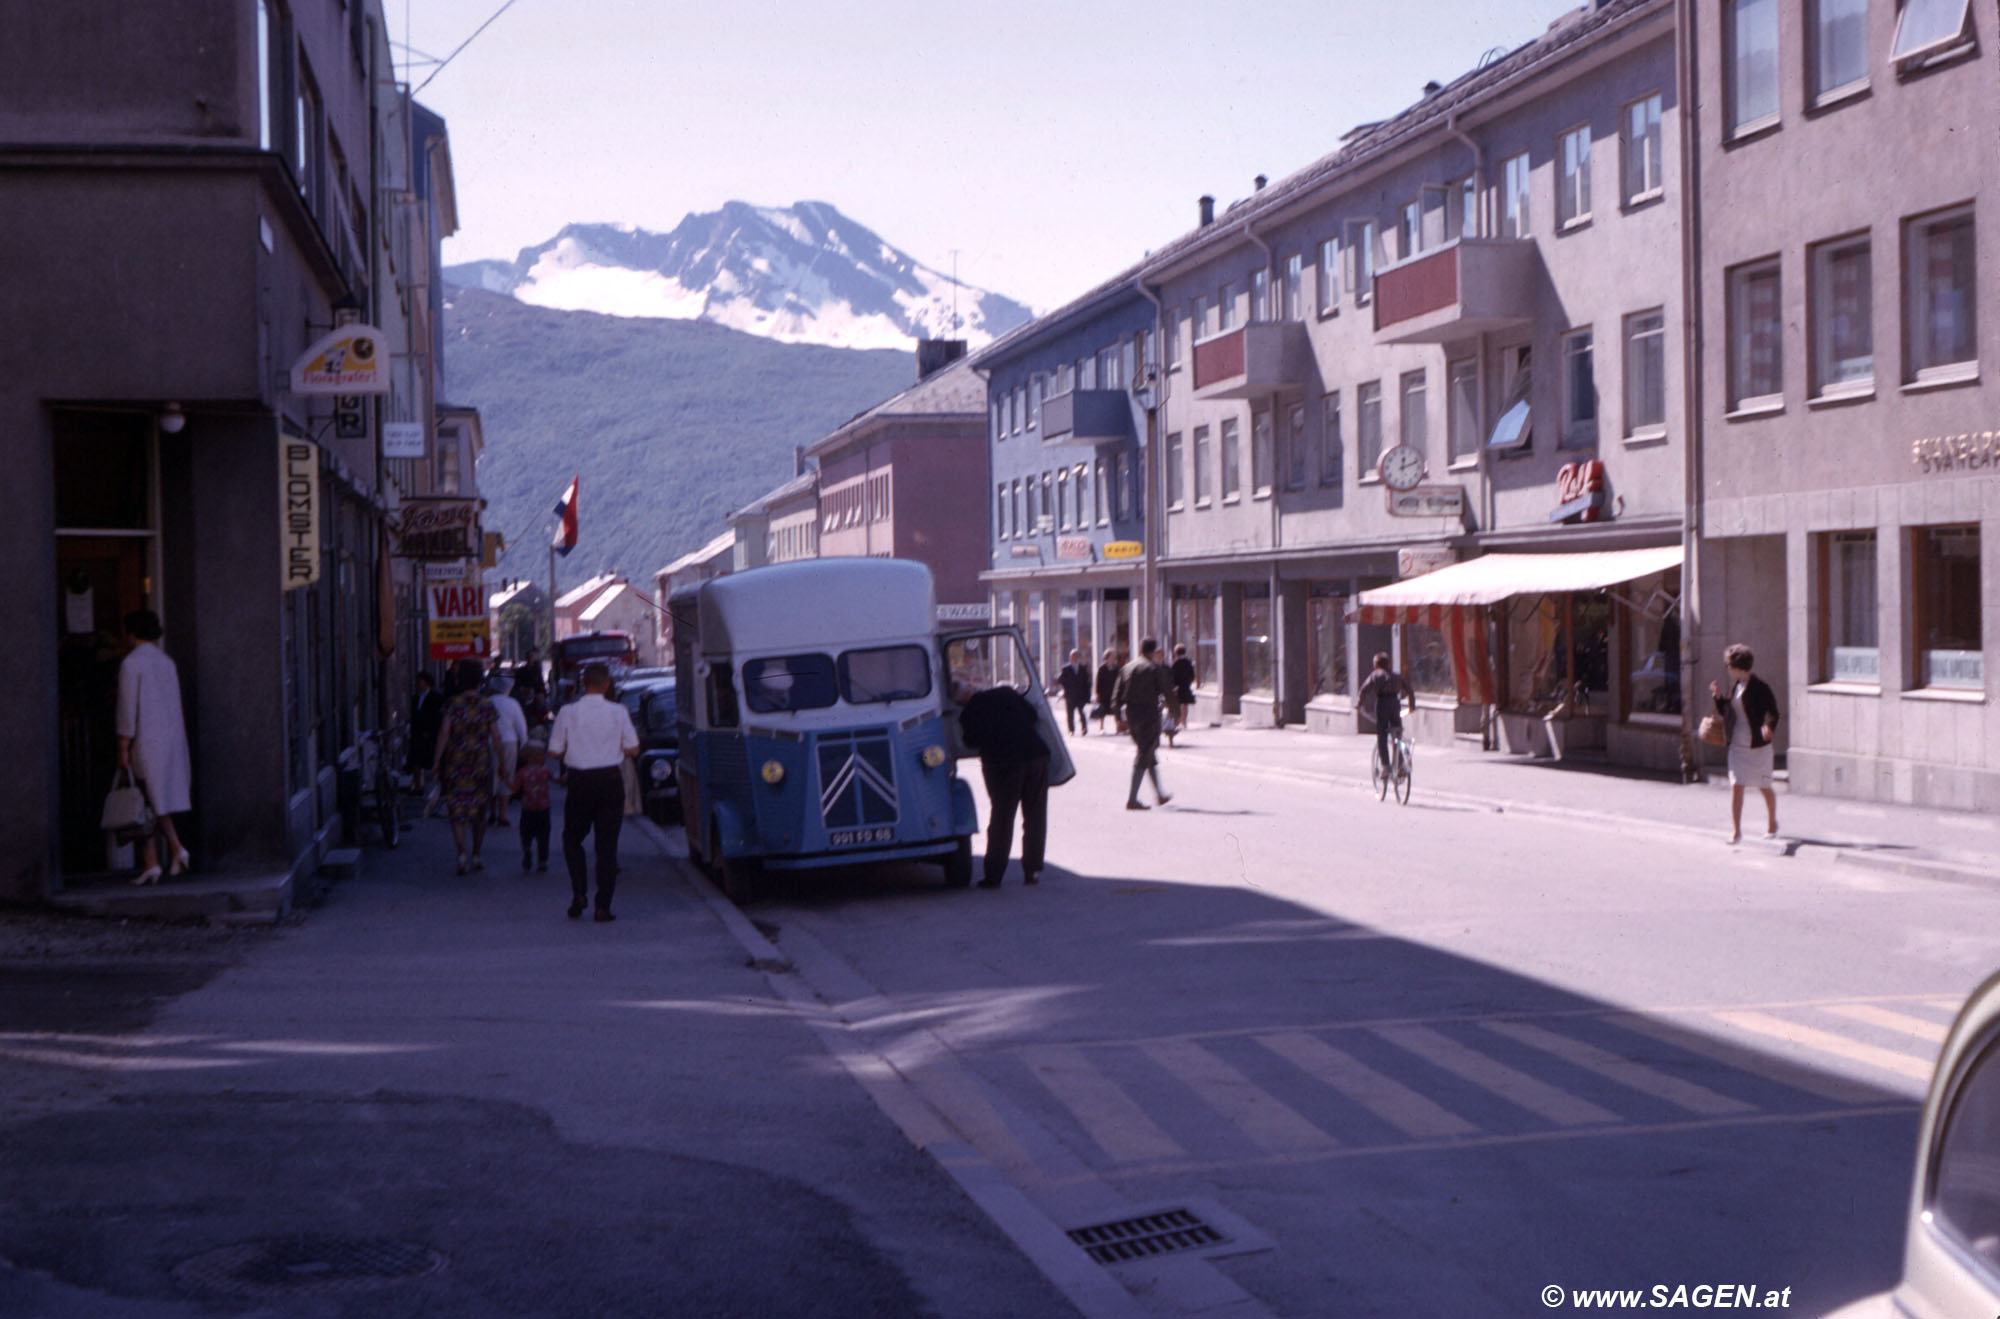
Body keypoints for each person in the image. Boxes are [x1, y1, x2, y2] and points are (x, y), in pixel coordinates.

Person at [547, 662, 639, 921]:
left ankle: (579, 893)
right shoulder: (619, 712)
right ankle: (603, 906)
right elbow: (633, 748)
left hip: (580, 781)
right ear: (606, 684)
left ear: (582, 683)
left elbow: (554, 751)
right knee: (607, 846)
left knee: (572, 838)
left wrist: (576, 750)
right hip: (610, 780)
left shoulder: (567, 712)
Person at [115, 609, 192, 886]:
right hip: (170, 738)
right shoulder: (166, 662)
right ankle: (152, 862)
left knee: (148, 798)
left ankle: (175, 849)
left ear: (132, 633)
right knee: (150, 801)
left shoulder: (131, 664)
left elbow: (127, 707)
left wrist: (124, 743)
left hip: (145, 739)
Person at [952, 676, 1051, 888]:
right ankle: (1032, 871)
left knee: (1002, 819)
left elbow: (971, 742)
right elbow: (1033, 716)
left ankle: (994, 875)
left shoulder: (968, 713)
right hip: (1036, 755)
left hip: (1004, 765)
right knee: (1035, 815)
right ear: (973, 685)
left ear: (959, 701)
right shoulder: (1006, 692)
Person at [432, 656, 503, 874]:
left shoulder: (453, 704)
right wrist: (502, 762)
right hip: (480, 764)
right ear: (480, 680)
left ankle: (461, 853)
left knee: (457, 809)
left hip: (455, 763)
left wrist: (436, 761)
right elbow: (496, 736)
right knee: (478, 811)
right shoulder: (486, 705)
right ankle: (477, 854)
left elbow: (444, 732)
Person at [1709, 643, 1780, 843]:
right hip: (1738, 745)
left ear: (1737, 666)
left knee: (1764, 786)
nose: (1727, 668)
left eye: (1728, 665)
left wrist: (1769, 726)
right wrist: (1717, 697)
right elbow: (1728, 712)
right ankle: (1736, 832)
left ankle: (1772, 823)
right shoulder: (1737, 686)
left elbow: (1773, 712)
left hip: (1758, 746)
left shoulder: (1760, 687)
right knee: (1737, 786)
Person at [1111, 638, 1173, 810]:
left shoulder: (1127, 667)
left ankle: (1160, 795)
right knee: (1144, 753)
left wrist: (1118, 719)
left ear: (1140, 649)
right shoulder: (1154, 668)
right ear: (1153, 652)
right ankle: (1132, 799)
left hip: (1132, 715)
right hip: (1149, 715)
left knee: (1149, 753)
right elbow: (1167, 691)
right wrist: (1175, 713)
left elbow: (1115, 697)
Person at [1355, 652, 1415, 776]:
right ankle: (1400, 765)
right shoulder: (1396, 676)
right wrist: (1411, 706)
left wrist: (1359, 705)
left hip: (1382, 704)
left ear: (1376, 665)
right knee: (1397, 734)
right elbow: (1410, 690)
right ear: (1388, 664)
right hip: (1395, 704)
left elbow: (1363, 690)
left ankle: (1386, 767)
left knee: (1382, 734)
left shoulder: (1375, 675)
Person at [487, 674, 529, 827]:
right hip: (510, 742)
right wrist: (524, 744)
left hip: (489, 742)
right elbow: (521, 726)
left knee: (491, 776)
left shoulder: (488, 702)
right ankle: (503, 814)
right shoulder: (513, 704)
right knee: (507, 775)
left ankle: (491, 813)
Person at [511, 737, 554, 872]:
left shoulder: (523, 772)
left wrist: (506, 779)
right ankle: (542, 861)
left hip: (527, 808)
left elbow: (514, 788)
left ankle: (527, 848)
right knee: (544, 836)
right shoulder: (545, 771)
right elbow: (557, 780)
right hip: (543, 808)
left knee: (526, 833)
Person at [406, 671, 443, 795]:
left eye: (420, 681)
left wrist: (430, 731)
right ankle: (418, 786)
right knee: (416, 761)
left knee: (429, 760)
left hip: (429, 735)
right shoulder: (416, 698)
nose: (417, 684)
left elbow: (437, 716)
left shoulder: (436, 697)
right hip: (417, 733)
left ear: (427, 683)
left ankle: (434, 786)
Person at [1055, 649, 1092, 737]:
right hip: (1070, 695)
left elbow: (1086, 682)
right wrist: (1067, 685)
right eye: (1072, 656)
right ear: (1070, 657)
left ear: (1078, 657)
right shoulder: (1066, 668)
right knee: (1070, 714)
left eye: (1076, 656)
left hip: (1080, 695)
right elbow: (1060, 680)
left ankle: (1084, 728)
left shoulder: (1083, 668)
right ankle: (1071, 730)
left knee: (1082, 712)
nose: (1074, 658)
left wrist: (1088, 696)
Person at [1165, 643, 1197, 746]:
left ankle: (1179, 720)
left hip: (1178, 687)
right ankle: (1184, 721)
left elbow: (1172, 675)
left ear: (1176, 652)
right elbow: (1192, 674)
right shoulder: (1188, 662)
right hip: (1185, 686)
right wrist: (1189, 682)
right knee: (1185, 704)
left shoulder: (1176, 663)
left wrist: (1173, 685)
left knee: (1178, 704)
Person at [1093, 648, 1121, 732]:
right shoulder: (1102, 668)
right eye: (1112, 656)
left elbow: (1119, 679)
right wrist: (1097, 693)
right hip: (1104, 692)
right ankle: (1101, 726)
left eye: (1114, 656)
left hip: (1114, 692)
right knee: (1103, 709)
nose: (1113, 658)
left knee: (1116, 709)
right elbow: (1098, 681)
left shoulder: (1116, 668)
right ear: (1107, 657)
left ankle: (1118, 727)